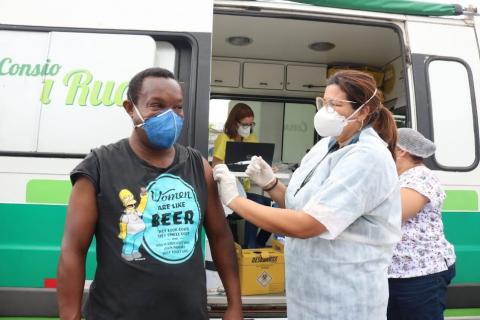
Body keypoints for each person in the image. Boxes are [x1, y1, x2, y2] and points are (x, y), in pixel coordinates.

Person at [213, 70, 402, 319]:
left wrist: (235, 200)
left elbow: (308, 224)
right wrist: (271, 185)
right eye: (324, 103)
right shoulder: (326, 145)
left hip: (345, 296)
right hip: (308, 293)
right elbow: (301, 206)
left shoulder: (368, 157)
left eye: (336, 105)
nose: (326, 111)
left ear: (363, 111)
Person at [57, 67, 243, 320]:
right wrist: (70, 317)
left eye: (178, 107)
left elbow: (220, 237)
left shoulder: (198, 166)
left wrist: (235, 305)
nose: (171, 115)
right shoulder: (99, 166)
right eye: (157, 105)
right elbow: (73, 250)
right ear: (130, 108)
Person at [387, 128, 456, 320]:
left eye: (387, 145)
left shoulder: (420, 176)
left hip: (420, 274)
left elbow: (394, 213)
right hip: (397, 272)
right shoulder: (398, 177)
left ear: (401, 150)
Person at [212, 103, 271, 248]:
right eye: (245, 124)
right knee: (256, 205)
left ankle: (257, 243)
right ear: (235, 123)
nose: (248, 128)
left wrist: (267, 167)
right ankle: (251, 247)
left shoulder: (252, 138)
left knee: (272, 206)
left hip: (244, 190)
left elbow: (257, 162)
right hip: (228, 193)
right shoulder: (224, 138)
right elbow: (216, 166)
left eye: (251, 124)